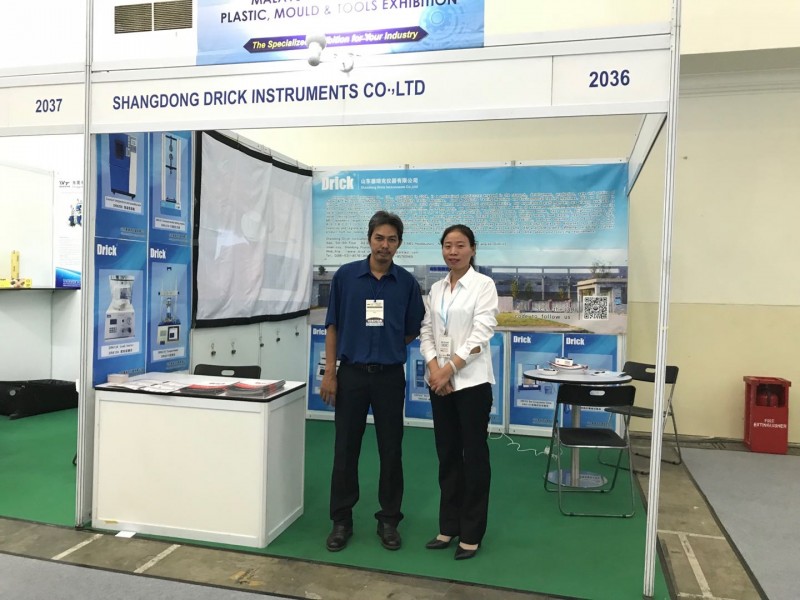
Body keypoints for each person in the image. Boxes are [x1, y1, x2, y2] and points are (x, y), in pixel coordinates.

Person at [320, 210, 425, 553]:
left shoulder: (406, 283)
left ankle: (389, 520)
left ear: (399, 244)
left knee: (391, 450)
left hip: (389, 378)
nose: (384, 245)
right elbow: (332, 326)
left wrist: (388, 348)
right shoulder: (346, 277)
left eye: (391, 239)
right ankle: (341, 521)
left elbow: (412, 329)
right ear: (369, 239)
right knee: (345, 450)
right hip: (350, 375)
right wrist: (330, 373)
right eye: (379, 238)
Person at [418, 224, 499, 561]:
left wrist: (449, 368)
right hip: (441, 384)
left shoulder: (484, 285)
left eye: (460, 245)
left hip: (472, 384)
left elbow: (482, 334)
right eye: (448, 245)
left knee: (474, 456)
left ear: (472, 249)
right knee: (447, 454)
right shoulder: (437, 288)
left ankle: (471, 532)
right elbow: (426, 330)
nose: (453, 252)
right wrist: (434, 367)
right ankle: (448, 526)